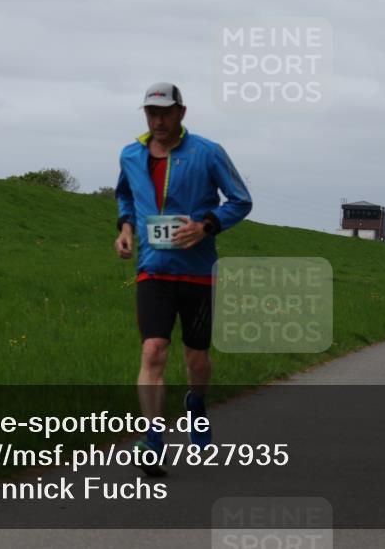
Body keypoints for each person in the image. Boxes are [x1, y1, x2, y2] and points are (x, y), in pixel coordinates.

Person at [115, 82, 252, 476]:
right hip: (152, 269)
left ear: (182, 113)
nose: (158, 121)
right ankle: (153, 437)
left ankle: (196, 403)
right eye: (151, 113)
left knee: (197, 358)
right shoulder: (131, 154)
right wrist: (125, 228)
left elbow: (240, 200)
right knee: (153, 350)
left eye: (165, 113)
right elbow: (125, 197)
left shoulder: (207, 152)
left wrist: (206, 226)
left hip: (197, 274)